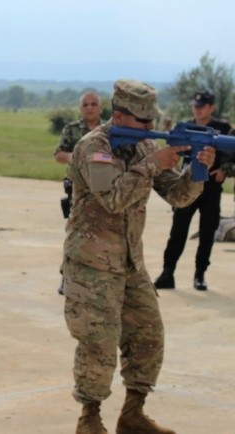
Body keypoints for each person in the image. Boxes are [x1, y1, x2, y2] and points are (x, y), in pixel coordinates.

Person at [63, 79, 215, 434]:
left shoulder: (144, 145)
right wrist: (152, 163)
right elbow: (114, 198)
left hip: (130, 263)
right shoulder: (93, 147)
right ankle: (89, 420)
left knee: (149, 336)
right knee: (98, 344)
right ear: (119, 116)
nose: (150, 130)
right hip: (92, 265)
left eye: (151, 123)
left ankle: (132, 415)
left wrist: (197, 170)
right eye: (143, 123)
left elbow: (178, 197)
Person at [153, 90, 233, 291]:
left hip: (210, 189)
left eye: (202, 106)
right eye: (195, 106)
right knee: (178, 231)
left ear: (211, 107)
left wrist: (224, 169)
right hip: (186, 185)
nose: (198, 109)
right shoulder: (186, 127)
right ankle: (167, 272)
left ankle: (200, 275)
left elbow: (232, 156)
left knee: (207, 233)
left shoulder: (223, 129)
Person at [54, 91, 104, 295]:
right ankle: (67, 277)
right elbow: (58, 155)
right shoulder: (72, 129)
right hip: (77, 187)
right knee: (75, 234)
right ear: (80, 108)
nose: (90, 107)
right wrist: (79, 156)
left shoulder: (110, 130)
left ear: (100, 107)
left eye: (93, 104)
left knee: (103, 234)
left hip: (103, 185)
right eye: (85, 105)